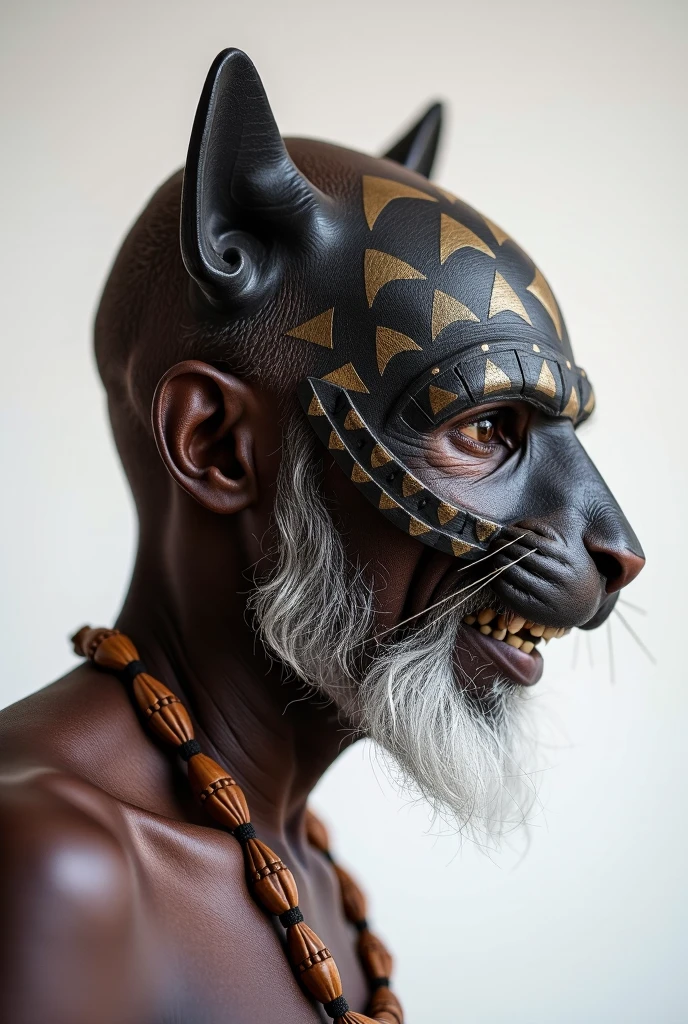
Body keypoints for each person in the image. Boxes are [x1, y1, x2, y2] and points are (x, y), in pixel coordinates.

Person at [0, 49, 644, 1024]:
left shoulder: (302, 868)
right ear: (217, 444)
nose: (612, 546)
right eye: (485, 426)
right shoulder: (55, 863)